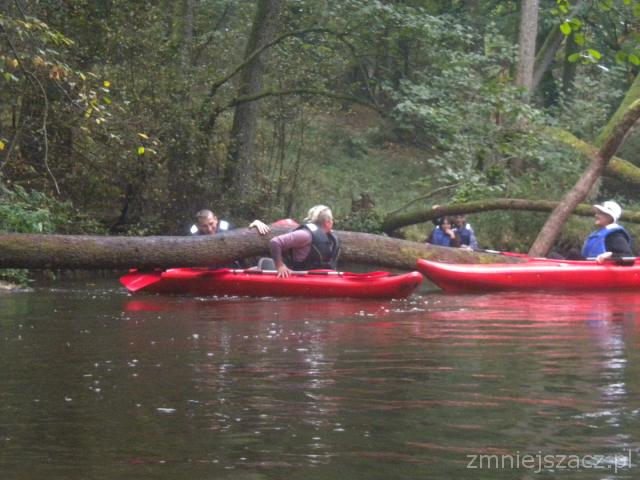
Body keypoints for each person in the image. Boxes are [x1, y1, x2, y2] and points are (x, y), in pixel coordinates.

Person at [269, 205, 340, 278]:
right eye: (332, 220)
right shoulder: (305, 235)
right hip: (301, 277)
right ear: (327, 223)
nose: (333, 222)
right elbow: (275, 242)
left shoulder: (330, 237)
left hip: (320, 278)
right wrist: (280, 266)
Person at [190, 209, 270, 236]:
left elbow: (243, 233)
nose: (210, 229)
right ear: (199, 226)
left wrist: (256, 223)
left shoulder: (227, 227)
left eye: (211, 224)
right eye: (204, 226)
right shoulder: (193, 235)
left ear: (216, 219)